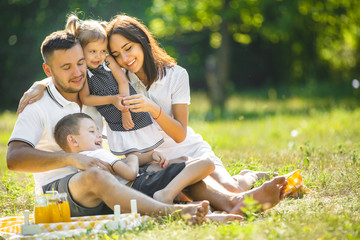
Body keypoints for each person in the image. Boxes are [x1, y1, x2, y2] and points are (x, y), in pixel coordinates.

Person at [17, 15, 271, 194]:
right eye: (115, 54)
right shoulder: (120, 75)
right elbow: (77, 70)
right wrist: (41, 83)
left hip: (181, 146)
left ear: (143, 41)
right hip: (149, 155)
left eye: (128, 49)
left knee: (232, 188)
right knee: (193, 193)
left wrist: (152, 108)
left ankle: (247, 176)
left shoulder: (175, 75)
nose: (125, 59)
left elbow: (180, 133)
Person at [6, 29, 209, 222]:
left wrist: (141, 158)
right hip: (60, 194)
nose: (77, 73)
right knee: (95, 176)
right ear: (48, 70)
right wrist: (73, 159)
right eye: (66, 67)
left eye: (80, 63)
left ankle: (228, 204)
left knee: (173, 167)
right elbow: (14, 159)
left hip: (108, 182)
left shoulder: (94, 98)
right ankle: (173, 213)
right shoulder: (36, 105)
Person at [54, 112, 215, 204]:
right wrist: (132, 157)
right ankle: (167, 193)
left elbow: (119, 167)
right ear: (73, 140)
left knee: (184, 168)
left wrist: (150, 155)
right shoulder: (98, 154)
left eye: (97, 131)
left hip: (137, 189)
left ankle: (181, 200)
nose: (98, 135)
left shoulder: (82, 160)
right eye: (91, 131)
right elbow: (129, 173)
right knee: (206, 163)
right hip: (141, 184)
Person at [62, 15, 165, 156]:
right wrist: (112, 100)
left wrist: (125, 110)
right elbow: (86, 98)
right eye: (92, 51)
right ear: (80, 49)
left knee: (148, 147)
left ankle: (153, 161)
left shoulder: (108, 60)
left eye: (103, 51)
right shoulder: (83, 71)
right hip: (113, 117)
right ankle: (139, 170)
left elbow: (123, 81)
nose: (98, 56)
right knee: (131, 154)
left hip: (130, 107)